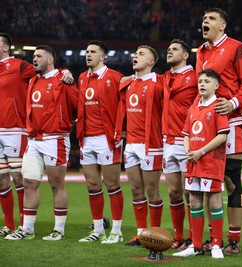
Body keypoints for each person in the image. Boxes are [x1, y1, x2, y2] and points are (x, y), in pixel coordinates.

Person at [196, 7, 242, 254]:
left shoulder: (236, 48)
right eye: (203, 19)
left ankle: (234, 239)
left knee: (231, 181)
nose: (205, 22)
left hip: (231, 122)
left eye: (210, 18)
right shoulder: (200, 52)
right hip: (207, 124)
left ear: (222, 25)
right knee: (209, 184)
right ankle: (212, 240)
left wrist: (232, 103)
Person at [0, 33, 74, 237]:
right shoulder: (33, 80)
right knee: (16, 181)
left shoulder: (20, 67)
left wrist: (66, 71)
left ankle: (54, 229)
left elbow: (73, 105)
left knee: (42, 182)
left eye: (39, 56)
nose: (35, 59)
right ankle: (19, 227)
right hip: (32, 139)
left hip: (35, 134)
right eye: (34, 56)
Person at [173, 69, 229, 259]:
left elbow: (222, 135)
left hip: (211, 162)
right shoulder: (193, 107)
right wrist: (189, 151)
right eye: (200, 81)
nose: (202, 84)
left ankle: (216, 244)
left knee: (213, 200)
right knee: (194, 199)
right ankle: (196, 246)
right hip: (194, 161)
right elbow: (186, 134)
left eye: (207, 81)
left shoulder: (218, 106)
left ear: (216, 86)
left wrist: (200, 152)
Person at [115, 45, 164, 247]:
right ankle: (140, 234)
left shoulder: (159, 82)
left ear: (151, 62)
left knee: (152, 190)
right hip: (131, 144)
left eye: (141, 54)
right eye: (135, 54)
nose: (136, 56)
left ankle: (154, 234)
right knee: (136, 190)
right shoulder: (127, 83)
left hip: (151, 144)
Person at [77, 40, 124, 244]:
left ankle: (117, 230)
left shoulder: (115, 77)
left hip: (107, 139)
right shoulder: (81, 78)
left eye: (93, 52)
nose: (88, 55)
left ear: (103, 56)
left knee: (112, 185)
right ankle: (98, 230)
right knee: (92, 186)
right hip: (86, 139)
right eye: (87, 51)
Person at [162, 39, 198, 250]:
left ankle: (194, 237)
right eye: (168, 48)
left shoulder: (195, 77)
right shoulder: (165, 77)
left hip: (188, 141)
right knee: (174, 192)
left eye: (174, 49)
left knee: (189, 193)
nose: (169, 51)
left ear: (185, 55)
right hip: (168, 142)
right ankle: (178, 237)